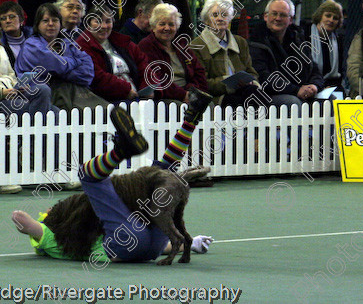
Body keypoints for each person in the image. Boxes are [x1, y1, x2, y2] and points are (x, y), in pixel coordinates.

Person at [12, 92, 215, 262]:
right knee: (89, 177)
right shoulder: (55, 233)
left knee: (159, 177)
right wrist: (29, 218)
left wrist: (193, 242)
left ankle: (189, 120)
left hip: (147, 246)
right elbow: (24, 221)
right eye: (49, 211)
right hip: (135, 243)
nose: (48, 210)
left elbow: (24, 224)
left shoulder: (67, 239)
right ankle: (121, 152)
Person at [15, 3, 99, 111]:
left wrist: (58, 74)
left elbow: (88, 73)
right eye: (45, 21)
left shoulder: (67, 43)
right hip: (35, 95)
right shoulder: (31, 45)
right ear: (37, 24)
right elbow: (58, 65)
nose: (51, 24)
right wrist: (73, 62)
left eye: (55, 20)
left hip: (65, 94)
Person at [249, 0, 324, 110]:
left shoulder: (298, 39)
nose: (278, 18)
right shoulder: (255, 42)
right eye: (274, 14)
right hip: (268, 95)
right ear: (265, 16)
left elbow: (313, 68)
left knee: (331, 99)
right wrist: (296, 90)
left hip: (299, 92)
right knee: (293, 103)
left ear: (290, 20)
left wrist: (314, 86)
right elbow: (264, 78)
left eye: (283, 15)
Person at [191, 0, 261, 107]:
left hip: (245, 91)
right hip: (215, 97)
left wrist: (251, 81)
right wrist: (228, 83)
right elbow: (202, 83)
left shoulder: (240, 42)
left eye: (224, 15)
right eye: (215, 15)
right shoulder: (196, 45)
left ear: (229, 19)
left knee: (255, 93)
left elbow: (251, 72)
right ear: (207, 20)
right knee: (245, 100)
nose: (220, 18)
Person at [76, 5, 152, 103]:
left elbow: (144, 65)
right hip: (107, 100)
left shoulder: (122, 41)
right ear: (88, 24)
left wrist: (147, 87)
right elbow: (96, 77)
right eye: (98, 21)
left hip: (138, 97)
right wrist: (126, 90)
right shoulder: (82, 45)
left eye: (108, 21)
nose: (104, 26)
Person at [138, 4, 207, 103]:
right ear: (153, 26)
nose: (167, 28)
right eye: (162, 24)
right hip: (165, 97)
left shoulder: (181, 44)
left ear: (177, 27)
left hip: (189, 93)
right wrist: (183, 95)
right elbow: (158, 79)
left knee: (209, 105)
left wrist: (193, 92)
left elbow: (199, 71)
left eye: (171, 24)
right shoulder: (146, 46)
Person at [304, 0, 346, 90]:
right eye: (328, 16)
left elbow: (339, 71)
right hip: (309, 84)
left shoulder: (338, 40)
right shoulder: (304, 34)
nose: (331, 20)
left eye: (335, 18)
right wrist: (319, 86)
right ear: (320, 16)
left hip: (331, 86)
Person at [0, 1, 32, 68]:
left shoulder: (34, 38)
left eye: (12, 17)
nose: (8, 21)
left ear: (21, 20)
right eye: (3, 18)